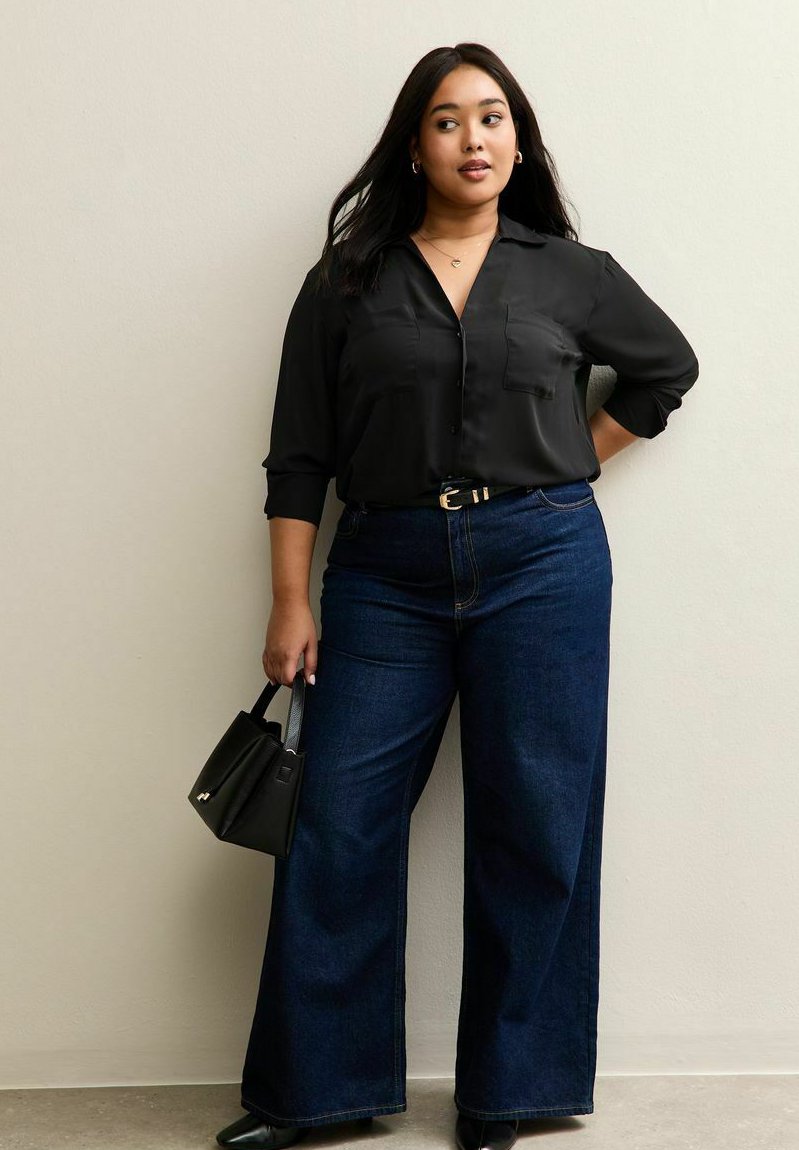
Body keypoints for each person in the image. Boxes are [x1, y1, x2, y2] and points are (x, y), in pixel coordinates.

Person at [215, 42, 699, 1150]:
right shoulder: (345, 281)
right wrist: (290, 602)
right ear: (415, 143)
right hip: (383, 571)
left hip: (543, 562)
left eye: (490, 116)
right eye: (446, 119)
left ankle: (511, 1090)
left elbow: (666, 370)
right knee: (336, 820)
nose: (472, 137)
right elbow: (298, 455)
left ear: (517, 139)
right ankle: (316, 1092)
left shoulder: (569, 270)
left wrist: (567, 456)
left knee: (537, 820)